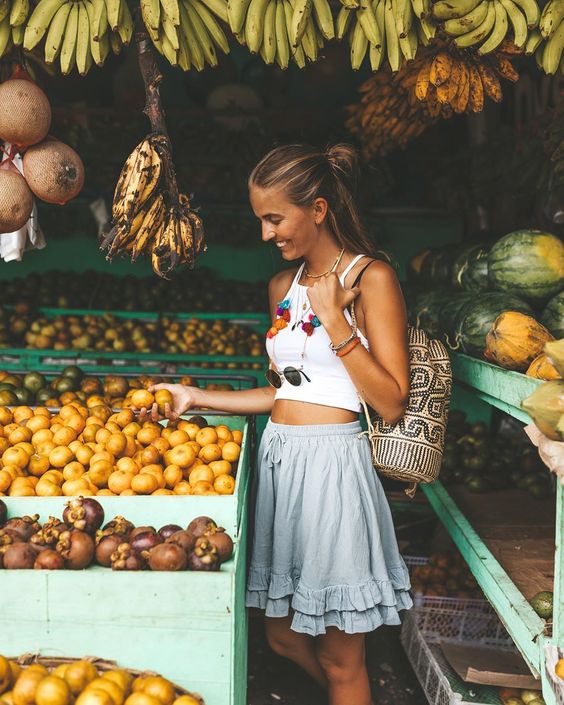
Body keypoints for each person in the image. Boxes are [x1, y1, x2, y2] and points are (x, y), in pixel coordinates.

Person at [140, 144, 412, 705]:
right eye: (260, 220)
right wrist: (194, 396)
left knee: (342, 654)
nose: (266, 235)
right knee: (281, 636)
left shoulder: (371, 278)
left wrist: (337, 320)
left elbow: (390, 403)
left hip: (333, 467)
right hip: (280, 463)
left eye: (274, 219)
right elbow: (286, 394)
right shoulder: (280, 289)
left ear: (317, 209)